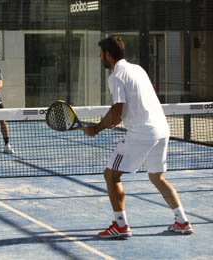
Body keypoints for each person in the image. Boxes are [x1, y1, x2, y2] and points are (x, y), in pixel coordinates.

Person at [80, 35, 193, 239]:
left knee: (111, 175)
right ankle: (183, 221)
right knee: (157, 177)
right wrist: (122, 116)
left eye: (100, 54)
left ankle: (120, 225)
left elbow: (117, 109)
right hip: (161, 129)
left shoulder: (116, 76)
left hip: (142, 133)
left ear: (108, 54)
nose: (100, 58)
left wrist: (96, 129)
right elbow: (143, 96)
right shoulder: (138, 69)